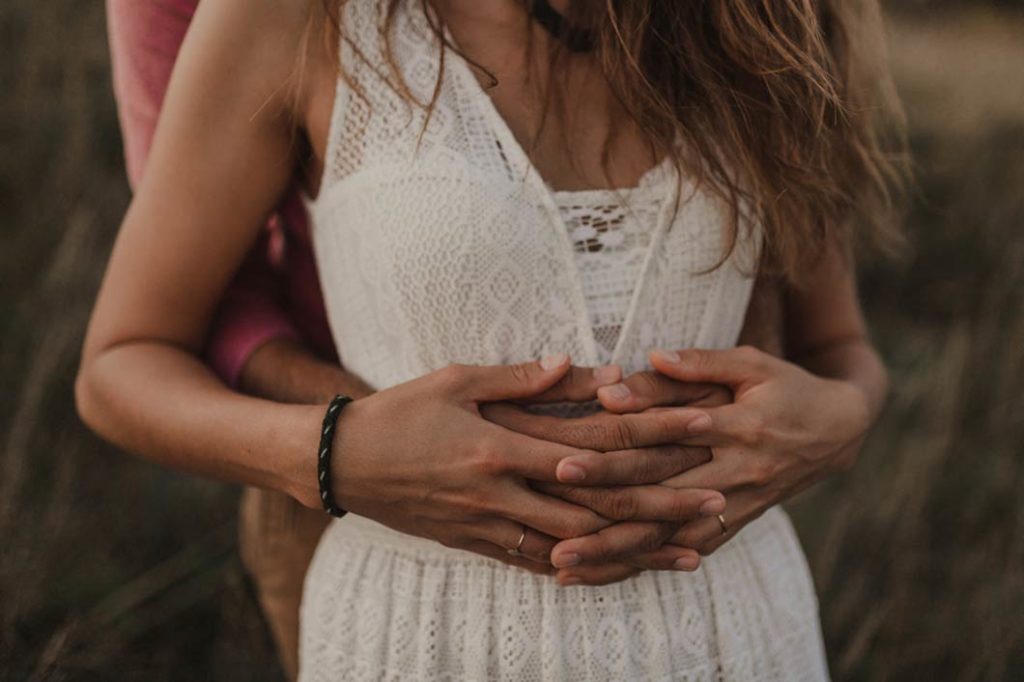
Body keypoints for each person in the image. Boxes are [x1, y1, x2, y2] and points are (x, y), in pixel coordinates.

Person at [80, 0, 904, 678]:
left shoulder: (769, 26)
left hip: (732, 631)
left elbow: (838, 350)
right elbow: (122, 360)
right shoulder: (297, 18)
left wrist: (840, 423)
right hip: (422, 630)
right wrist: (338, 450)